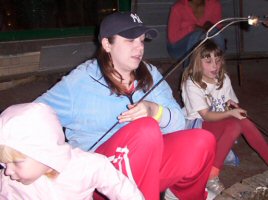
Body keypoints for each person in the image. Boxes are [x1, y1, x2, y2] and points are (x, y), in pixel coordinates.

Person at [34, 11, 216, 200]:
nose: (139, 48)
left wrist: (155, 111)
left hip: (146, 166)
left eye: (142, 40)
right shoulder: (79, 82)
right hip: (102, 178)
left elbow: (178, 123)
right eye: (130, 40)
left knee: (202, 141)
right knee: (146, 129)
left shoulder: (150, 74)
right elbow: (32, 117)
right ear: (107, 44)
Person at [0, 102, 145, 199]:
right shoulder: (8, 181)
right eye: (4, 164)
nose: (7, 171)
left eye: (16, 162)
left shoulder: (87, 166)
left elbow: (121, 188)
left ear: (43, 151)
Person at [181, 39, 268, 197]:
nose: (214, 65)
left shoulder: (224, 79)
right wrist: (230, 113)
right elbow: (206, 115)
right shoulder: (192, 83)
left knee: (241, 121)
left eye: (218, 60)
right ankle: (211, 176)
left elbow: (230, 105)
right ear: (197, 63)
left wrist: (232, 106)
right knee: (234, 124)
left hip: (220, 124)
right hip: (197, 129)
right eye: (208, 61)